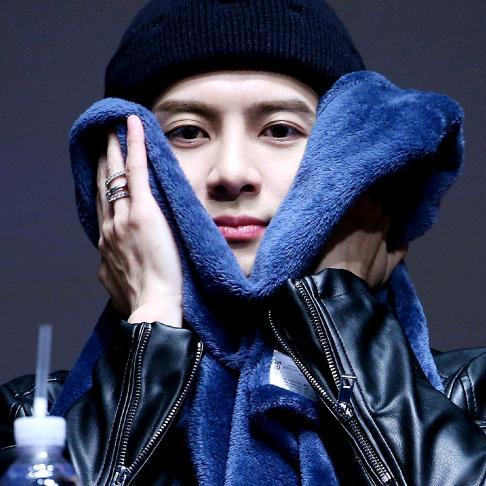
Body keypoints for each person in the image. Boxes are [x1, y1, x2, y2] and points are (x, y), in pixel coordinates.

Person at [1, 1, 485, 484]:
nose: (232, 173)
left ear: (346, 159)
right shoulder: (25, 417)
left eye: (280, 130)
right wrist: (152, 326)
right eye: (188, 132)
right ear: (122, 164)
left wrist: (341, 312)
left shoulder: (471, 393)